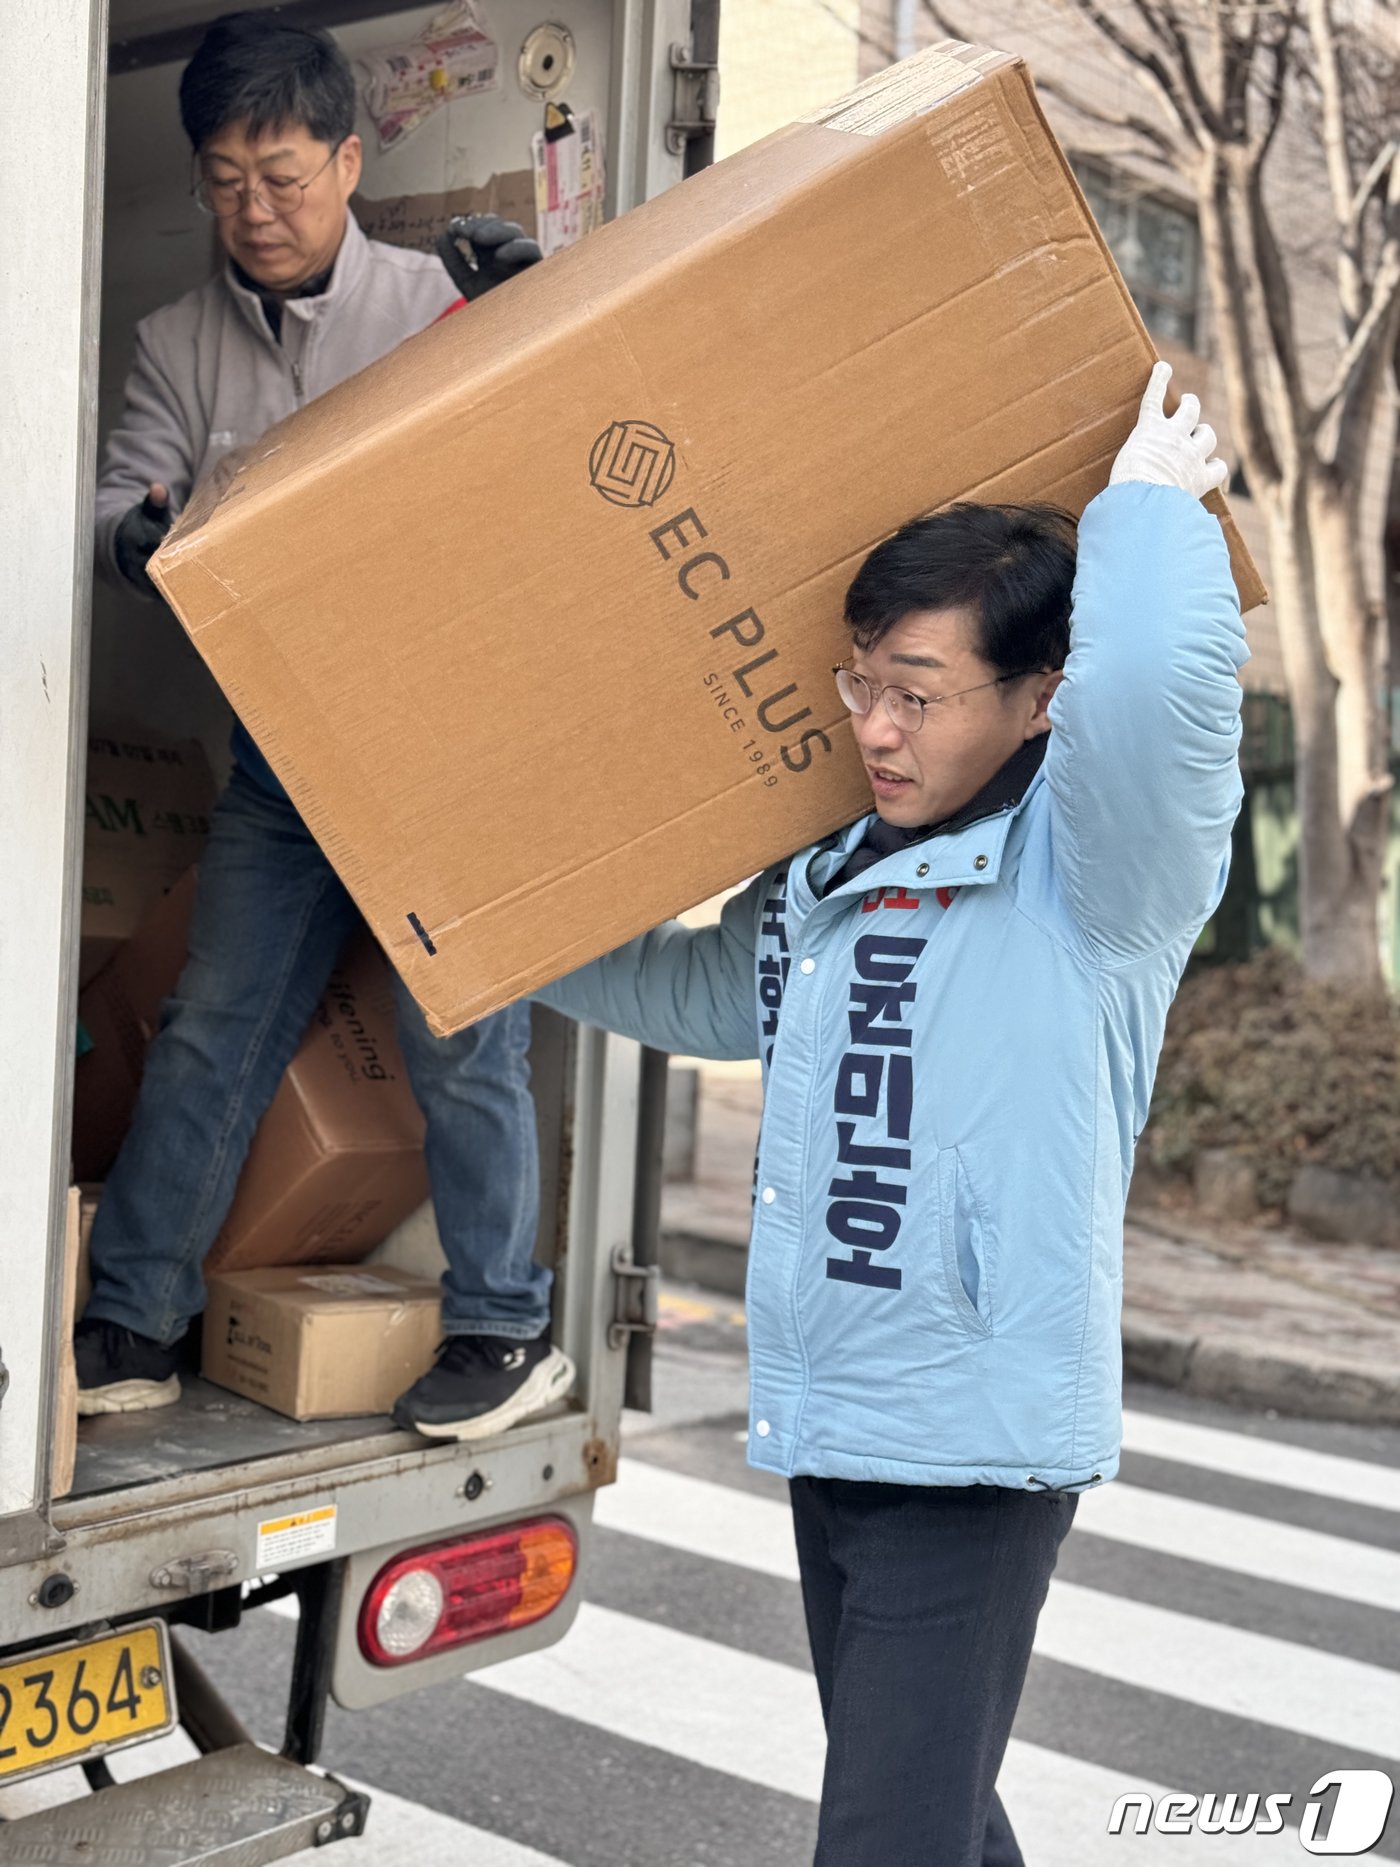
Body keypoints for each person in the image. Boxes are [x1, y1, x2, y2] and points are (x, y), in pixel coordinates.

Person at [533, 363, 1243, 1863]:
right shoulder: (838, 875)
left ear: (1041, 696)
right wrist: (469, 952)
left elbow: (1168, 700)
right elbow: (700, 994)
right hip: (844, 1422)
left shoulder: (1099, 880)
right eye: (863, 681)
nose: (875, 724)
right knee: (934, 1819)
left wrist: (1148, 522)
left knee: (887, 1838)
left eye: (916, 694)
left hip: (970, 1448)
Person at [79, 11, 571, 1442]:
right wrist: (147, 535)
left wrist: (527, 320)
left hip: (443, 742)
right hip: (281, 760)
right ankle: (131, 1318)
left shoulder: (434, 301)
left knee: (460, 1034)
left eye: (284, 175)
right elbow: (120, 502)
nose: (258, 209)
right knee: (209, 1026)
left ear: (349, 161)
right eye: (227, 180)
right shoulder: (176, 340)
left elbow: (539, 474)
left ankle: (500, 1328)